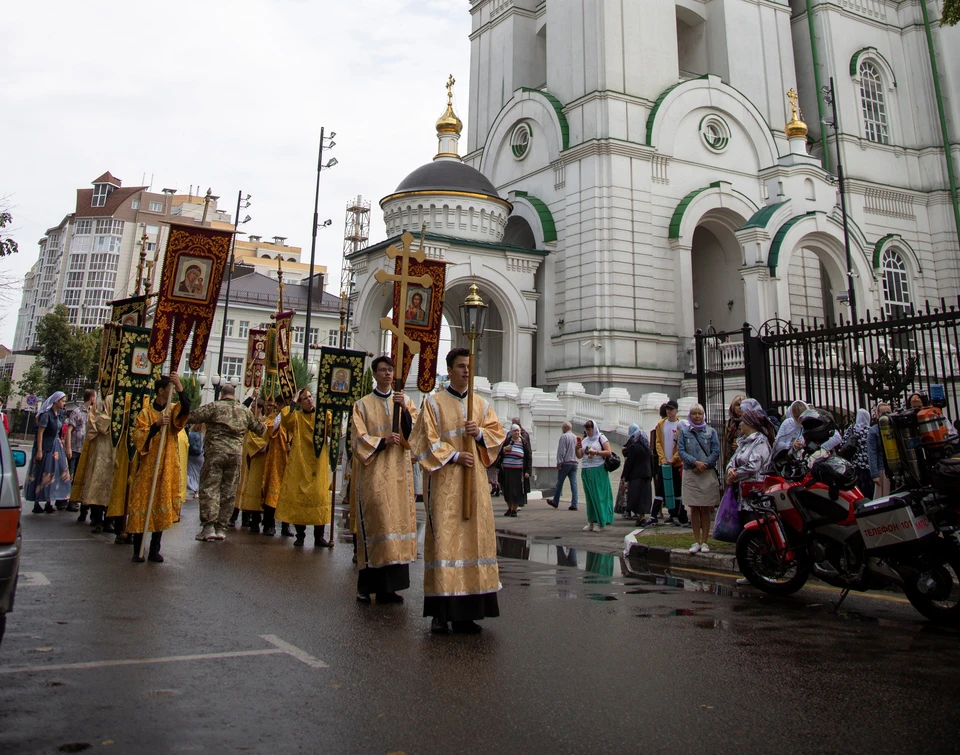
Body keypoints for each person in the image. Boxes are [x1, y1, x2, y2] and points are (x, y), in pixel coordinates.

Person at [410, 347, 506, 634]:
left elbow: (496, 435)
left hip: (474, 485)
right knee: (445, 544)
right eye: (461, 366)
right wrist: (453, 455)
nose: (466, 371)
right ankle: (441, 611)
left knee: (474, 542)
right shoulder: (434, 403)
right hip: (445, 485)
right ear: (449, 369)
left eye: (469, 366)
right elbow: (422, 442)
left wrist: (478, 434)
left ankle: (468, 611)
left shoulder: (481, 405)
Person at [351, 355, 419, 604]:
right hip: (375, 473)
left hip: (399, 474)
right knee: (377, 524)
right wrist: (381, 442)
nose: (388, 374)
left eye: (390, 370)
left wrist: (405, 414)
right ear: (375, 374)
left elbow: (416, 435)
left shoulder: (405, 401)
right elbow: (358, 439)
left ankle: (388, 588)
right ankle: (365, 585)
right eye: (383, 370)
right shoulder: (362, 405)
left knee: (396, 526)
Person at [189, 384, 267, 542]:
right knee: (228, 492)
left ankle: (208, 526)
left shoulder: (214, 406)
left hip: (215, 453)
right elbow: (261, 429)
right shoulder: (244, 411)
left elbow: (192, 416)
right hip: (235, 456)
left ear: (222, 394)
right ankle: (221, 528)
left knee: (210, 488)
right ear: (234, 394)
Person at [128, 375, 190, 563]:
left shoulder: (172, 410)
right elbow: (138, 437)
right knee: (142, 504)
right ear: (161, 390)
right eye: (170, 388)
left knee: (160, 505)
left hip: (166, 465)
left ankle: (155, 549)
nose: (171, 391)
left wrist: (180, 388)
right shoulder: (146, 413)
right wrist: (155, 426)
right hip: (148, 467)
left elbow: (186, 410)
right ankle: (138, 549)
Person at [276, 388, 332, 548]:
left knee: (318, 495)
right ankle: (300, 535)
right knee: (299, 496)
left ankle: (319, 537)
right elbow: (285, 419)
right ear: (300, 403)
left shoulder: (322, 414)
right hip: (300, 461)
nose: (309, 400)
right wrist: (293, 398)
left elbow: (331, 429)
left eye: (310, 397)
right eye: (304, 398)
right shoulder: (297, 417)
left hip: (318, 460)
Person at [677, 404, 721, 553]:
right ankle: (696, 540)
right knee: (694, 507)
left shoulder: (711, 432)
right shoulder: (684, 432)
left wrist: (705, 464)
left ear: (704, 416)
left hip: (706, 473)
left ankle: (705, 541)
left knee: (706, 507)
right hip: (691, 472)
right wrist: (694, 462)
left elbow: (716, 451)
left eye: (700, 414)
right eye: (694, 413)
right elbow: (681, 450)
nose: (697, 416)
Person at [71, 395, 115, 533]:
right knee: (97, 483)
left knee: (113, 486)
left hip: (116, 448)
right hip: (101, 448)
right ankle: (97, 519)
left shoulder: (126, 397)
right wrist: (115, 422)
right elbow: (94, 421)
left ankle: (109, 520)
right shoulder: (103, 400)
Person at [24, 392, 72, 514]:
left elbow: (60, 430)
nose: (64, 403)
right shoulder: (47, 415)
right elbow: (40, 433)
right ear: (56, 401)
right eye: (62, 400)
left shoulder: (60, 414)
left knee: (55, 473)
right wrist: (39, 450)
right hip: (46, 446)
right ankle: (37, 502)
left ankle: (49, 501)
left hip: (56, 446)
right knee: (42, 472)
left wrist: (62, 443)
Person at [725, 408, 775, 490]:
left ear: (750, 424)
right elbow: (733, 459)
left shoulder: (761, 443)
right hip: (741, 489)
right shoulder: (744, 441)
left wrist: (735, 475)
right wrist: (730, 469)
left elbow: (753, 466)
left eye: (743, 421)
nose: (740, 424)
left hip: (755, 490)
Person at [579, 419, 614, 532]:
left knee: (599, 496)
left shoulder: (601, 437)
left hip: (598, 469)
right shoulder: (585, 440)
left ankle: (601, 521)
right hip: (586, 469)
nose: (588, 431)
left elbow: (609, 452)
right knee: (589, 497)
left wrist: (596, 452)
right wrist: (577, 448)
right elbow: (579, 455)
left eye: (590, 429)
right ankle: (591, 521)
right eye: (587, 429)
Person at [65, 389, 95, 515]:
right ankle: (67, 499)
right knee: (70, 474)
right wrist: (68, 447)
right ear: (91, 398)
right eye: (95, 397)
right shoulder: (77, 412)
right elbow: (69, 430)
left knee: (79, 474)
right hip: (75, 447)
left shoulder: (92, 413)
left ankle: (76, 498)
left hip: (84, 448)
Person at [261, 397, 289, 536]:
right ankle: (268, 524)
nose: (284, 406)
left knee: (287, 494)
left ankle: (286, 526)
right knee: (272, 491)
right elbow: (271, 431)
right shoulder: (273, 418)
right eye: (282, 403)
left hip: (289, 460)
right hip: (275, 460)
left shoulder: (293, 418)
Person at [655, 400, 684, 526]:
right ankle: (654, 514)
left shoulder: (680, 425)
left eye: (671, 409)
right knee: (660, 488)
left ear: (676, 411)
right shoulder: (661, 424)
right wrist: (662, 458)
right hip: (664, 463)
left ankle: (676, 514)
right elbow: (658, 442)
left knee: (676, 489)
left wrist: (674, 458)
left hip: (676, 463)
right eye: (667, 409)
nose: (669, 411)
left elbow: (681, 445)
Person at [622, 422, 655, 525]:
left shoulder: (634, 447)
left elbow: (629, 462)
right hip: (647, 475)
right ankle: (642, 516)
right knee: (644, 497)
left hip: (636, 476)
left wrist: (624, 475)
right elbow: (651, 462)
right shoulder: (647, 448)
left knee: (635, 496)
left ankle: (639, 517)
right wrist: (653, 474)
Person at [498, 424, 531, 517]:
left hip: (518, 470)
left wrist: (528, 471)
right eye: (515, 431)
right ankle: (509, 508)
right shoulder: (507, 441)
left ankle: (514, 509)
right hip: (506, 470)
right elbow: (498, 452)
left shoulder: (523, 442)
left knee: (517, 490)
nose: (516, 433)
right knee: (507, 489)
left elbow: (528, 456)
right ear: (511, 432)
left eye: (518, 431)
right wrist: (504, 449)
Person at [546, 421, 579, 510]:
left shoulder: (564, 437)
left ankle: (555, 501)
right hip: (574, 463)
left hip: (566, 463)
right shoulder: (576, 437)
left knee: (559, 482)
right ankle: (574, 504)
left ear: (564, 428)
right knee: (574, 484)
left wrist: (559, 462)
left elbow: (561, 450)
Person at [842, 408, 873, 498]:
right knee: (868, 488)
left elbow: (843, 443)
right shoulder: (869, 430)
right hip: (867, 464)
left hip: (854, 463)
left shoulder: (851, 429)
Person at [867, 402, 892, 498]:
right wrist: (875, 474)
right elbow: (872, 453)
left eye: (888, 412)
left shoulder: (894, 427)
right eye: (883, 413)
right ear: (878, 415)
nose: (886, 416)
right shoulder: (874, 431)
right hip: (882, 469)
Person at [723, 395, 744, 468]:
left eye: (742, 405)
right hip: (730, 460)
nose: (740, 407)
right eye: (737, 405)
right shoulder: (730, 423)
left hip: (743, 461)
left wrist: (740, 446)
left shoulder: (749, 422)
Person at [187, 424, 204, 497]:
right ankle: (197, 491)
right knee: (199, 473)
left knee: (190, 472)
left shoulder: (190, 434)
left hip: (191, 456)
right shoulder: (203, 435)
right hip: (200, 456)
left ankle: (192, 487)